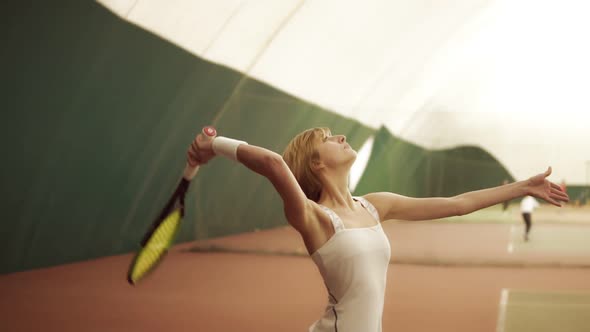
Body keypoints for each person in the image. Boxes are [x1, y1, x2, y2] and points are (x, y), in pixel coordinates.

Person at [187, 127, 569, 332]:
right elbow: (272, 162)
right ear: (316, 165)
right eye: (328, 139)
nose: (340, 137)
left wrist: (522, 187)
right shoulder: (312, 217)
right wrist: (213, 144)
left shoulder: (375, 204)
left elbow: (457, 204)